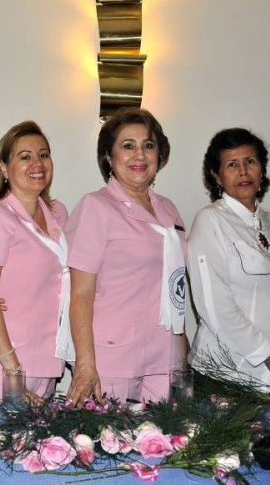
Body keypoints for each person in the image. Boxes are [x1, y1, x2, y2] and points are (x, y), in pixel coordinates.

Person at [66, 107, 188, 405]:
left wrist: (182, 353)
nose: (140, 155)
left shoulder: (169, 210)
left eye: (148, 145)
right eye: (128, 146)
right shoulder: (96, 207)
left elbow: (177, 288)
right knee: (109, 447)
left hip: (165, 355)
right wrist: (84, 363)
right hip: (112, 355)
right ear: (109, 157)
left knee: (164, 446)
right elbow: (80, 293)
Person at [187, 128, 270, 390]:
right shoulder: (210, 221)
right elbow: (215, 308)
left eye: (250, 162)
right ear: (216, 175)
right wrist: (267, 354)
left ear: (262, 169)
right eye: (232, 164)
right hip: (225, 377)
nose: (243, 171)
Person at [0, 122, 70, 402]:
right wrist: (14, 373)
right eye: (25, 157)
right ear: (4, 168)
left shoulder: (58, 213)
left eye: (44, 154)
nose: (37, 163)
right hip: (2, 366)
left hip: (48, 360)